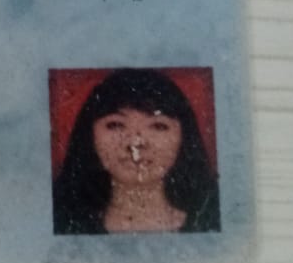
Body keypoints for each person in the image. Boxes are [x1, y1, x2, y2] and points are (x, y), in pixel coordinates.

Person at [52, 68, 220, 235]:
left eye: (158, 126)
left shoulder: (210, 219)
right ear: (89, 135)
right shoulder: (61, 222)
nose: (136, 143)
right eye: (116, 125)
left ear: (185, 137)